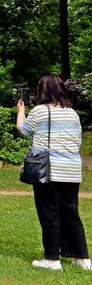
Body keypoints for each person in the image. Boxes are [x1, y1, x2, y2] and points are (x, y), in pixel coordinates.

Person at [16, 75, 92, 271]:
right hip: (72, 170)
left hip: (48, 170)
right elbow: (77, 141)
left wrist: (21, 111)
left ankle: (52, 259)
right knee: (71, 213)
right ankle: (81, 257)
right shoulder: (72, 113)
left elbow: (23, 130)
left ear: (42, 91)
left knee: (49, 213)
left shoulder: (40, 111)